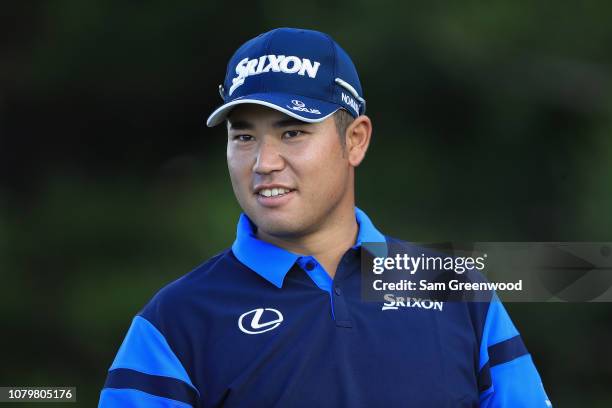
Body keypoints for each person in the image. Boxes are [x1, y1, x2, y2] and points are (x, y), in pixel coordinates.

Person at [99, 27, 552, 407]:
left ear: (355, 140)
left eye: (292, 132)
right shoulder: (174, 322)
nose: (264, 162)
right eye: (243, 137)